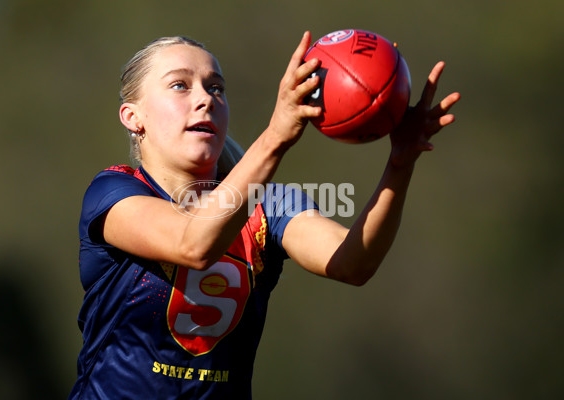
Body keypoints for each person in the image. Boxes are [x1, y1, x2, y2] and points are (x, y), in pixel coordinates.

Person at [68, 31, 460, 399]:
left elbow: (353, 263)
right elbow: (194, 243)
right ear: (133, 117)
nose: (205, 98)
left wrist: (400, 164)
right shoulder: (114, 193)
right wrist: (276, 135)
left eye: (216, 87)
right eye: (180, 85)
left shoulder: (267, 207)